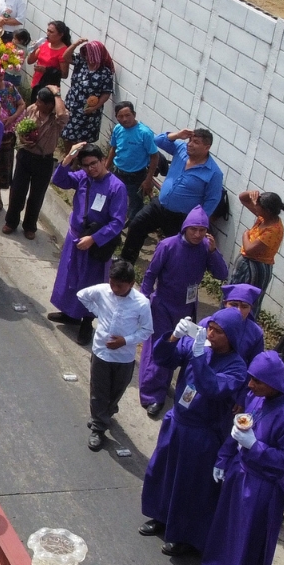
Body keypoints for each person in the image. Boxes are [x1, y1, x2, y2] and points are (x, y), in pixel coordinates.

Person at [199, 351, 284, 565]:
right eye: (250, 379)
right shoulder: (257, 396)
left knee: (251, 539)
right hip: (241, 472)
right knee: (228, 526)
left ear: (273, 382)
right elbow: (241, 427)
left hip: (264, 484)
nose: (250, 385)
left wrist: (256, 447)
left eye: (256, 381)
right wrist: (224, 456)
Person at [139, 308, 254, 559]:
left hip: (202, 434)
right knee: (164, 471)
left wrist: (200, 356)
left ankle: (184, 536)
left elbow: (211, 387)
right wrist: (172, 338)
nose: (211, 333)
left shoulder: (236, 367)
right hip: (178, 421)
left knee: (190, 486)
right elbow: (164, 359)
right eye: (210, 327)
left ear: (231, 337)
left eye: (218, 331)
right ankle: (160, 516)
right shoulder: (197, 345)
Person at [135, 207, 227, 417]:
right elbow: (151, 274)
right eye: (194, 229)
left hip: (186, 308)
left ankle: (163, 384)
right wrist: (143, 300)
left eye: (202, 230)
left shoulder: (205, 247)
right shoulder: (167, 245)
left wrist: (214, 252)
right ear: (185, 228)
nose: (197, 234)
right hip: (163, 306)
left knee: (178, 350)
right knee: (159, 348)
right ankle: (152, 395)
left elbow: (221, 274)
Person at [46, 142, 129, 331]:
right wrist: (69, 157)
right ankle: (70, 313)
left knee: (91, 282)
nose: (90, 168)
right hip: (75, 237)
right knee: (70, 276)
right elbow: (59, 180)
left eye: (94, 164)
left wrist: (94, 239)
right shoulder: (83, 178)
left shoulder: (117, 187)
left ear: (102, 161)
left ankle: (86, 323)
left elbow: (117, 222)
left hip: (95, 243)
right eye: (86, 165)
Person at [74, 261, 152, 452]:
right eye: (112, 283)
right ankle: (99, 428)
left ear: (131, 284)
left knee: (116, 391)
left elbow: (147, 330)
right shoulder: (102, 291)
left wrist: (125, 340)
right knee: (99, 391)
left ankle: (105, 413)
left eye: (120, 286)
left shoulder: (142, 303)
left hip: (124, 357)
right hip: (101, 352)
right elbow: (82, 295)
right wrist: (99, 312)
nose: (115, 289)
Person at [119, 127, 225, 265]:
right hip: (159, 206)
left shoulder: (214, 172)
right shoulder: (181, 149)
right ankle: (125, 264)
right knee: (137, 224)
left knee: (176, 250)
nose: (190, 144)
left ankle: (165, 276)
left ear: (207, 147)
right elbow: (158, 140)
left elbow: (212, 200)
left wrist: (197, 222)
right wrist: (178, 135)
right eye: (190, 140)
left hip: (181, 217)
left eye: (196, 142)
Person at [2, 86, 64, 239]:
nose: (37, 103)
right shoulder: (31, 109)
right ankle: (11, 221)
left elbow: (62, 114)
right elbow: (19, 127)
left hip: (44, 161)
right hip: (25, 156)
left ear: (50, 105)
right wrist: (23, 139)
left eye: (41, 102)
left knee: (36, 195)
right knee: (17, 191)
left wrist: (56, 94)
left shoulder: (57, 118)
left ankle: (30, 226)